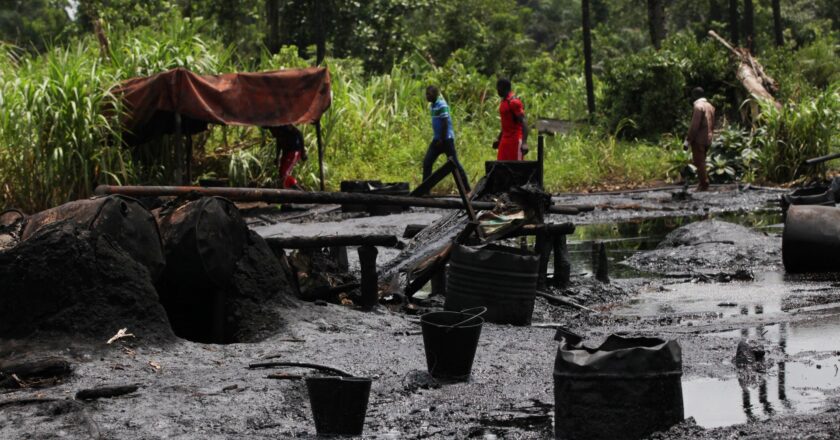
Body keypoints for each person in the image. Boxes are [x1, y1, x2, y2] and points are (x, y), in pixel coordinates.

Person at [423, 85, 469, 189]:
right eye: (426, 94)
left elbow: (445, 123)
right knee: (427, 162)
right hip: (437, 139)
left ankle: (467, 190)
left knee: (455, 165)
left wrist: (441, 139)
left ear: (435, 94)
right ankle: (425, 190)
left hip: (446, 139)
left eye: (429, 94)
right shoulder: (432, 106)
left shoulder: (442, 105)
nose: (427, 96)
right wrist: (438, 139)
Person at [685, 87, 716, 191]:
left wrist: (688, 140)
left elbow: (694, 126)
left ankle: (704, 184)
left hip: (699, 139)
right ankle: (702, 183)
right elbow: (712, 123)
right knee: (702, 161)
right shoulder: (710, 106)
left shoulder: (698, 107)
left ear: (694, 95)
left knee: (699, 162)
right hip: (708, 138)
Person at [493, 78, 529, 161]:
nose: (497, 90)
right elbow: (506, 125)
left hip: (515, 141)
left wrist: (524, 143)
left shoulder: (514, 102)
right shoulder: (503, 102)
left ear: (504, 87)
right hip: (505, 141)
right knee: (501, 167)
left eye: (498, 88)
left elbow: (524, 122)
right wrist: (498, 139)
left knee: (516, 169)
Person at [269, 125, 307, 189]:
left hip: (294, 150)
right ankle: (290, 192)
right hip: (286, 152)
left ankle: (299, 191)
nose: (271, 132)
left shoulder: (285, 126)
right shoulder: (277, 132)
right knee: (281, 174)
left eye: (271, 129)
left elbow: (299, 133)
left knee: (284, 173)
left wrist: (303, 151)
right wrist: (277, 157)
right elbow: (278, 144)